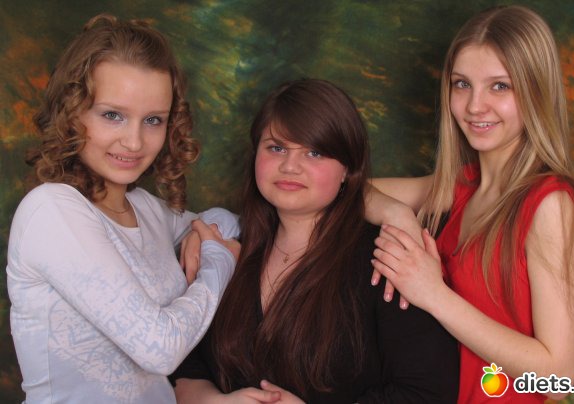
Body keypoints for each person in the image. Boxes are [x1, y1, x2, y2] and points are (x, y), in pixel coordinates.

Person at [170, 78, 459, 403]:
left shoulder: (387, 259)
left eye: (314, 152)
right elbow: (183, 368)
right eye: (276, 148)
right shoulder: (230, 249)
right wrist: (217, 402)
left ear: (347, 169)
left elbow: (428, 392)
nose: (290, 166)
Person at [6, 14, 240, 404]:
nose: (134, 142)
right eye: (112, 115)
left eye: (153, 120)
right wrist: (219, 261)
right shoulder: (51, 210)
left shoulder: (144, 208)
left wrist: (204, 234)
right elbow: (160, 348)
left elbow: (226, 221)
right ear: (72, 112)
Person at [368, 5, 574, 403]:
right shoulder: (461, 186)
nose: (474, 106)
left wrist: (433, 294)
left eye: (500, 86)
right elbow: (344, 190)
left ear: (537, 91)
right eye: (462, 84)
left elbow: (559, 377)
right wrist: (397, 213)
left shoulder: (550, 204)